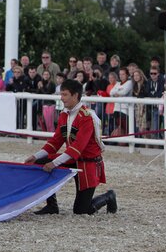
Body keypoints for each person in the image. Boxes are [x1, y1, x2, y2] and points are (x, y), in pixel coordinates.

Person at [24, 79, 117, 215]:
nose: (61, 98)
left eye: (65, 94)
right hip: (72, 158)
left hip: (87, 164)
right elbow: (55, 141)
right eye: (61, 94)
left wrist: (54, 163)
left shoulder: (86, 117)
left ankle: (108, 196)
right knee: (39, 162)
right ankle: (52, 206)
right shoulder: (64, 115)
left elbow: (77, 148)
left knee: (81, 210)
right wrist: (35, 156)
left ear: (75, 95)